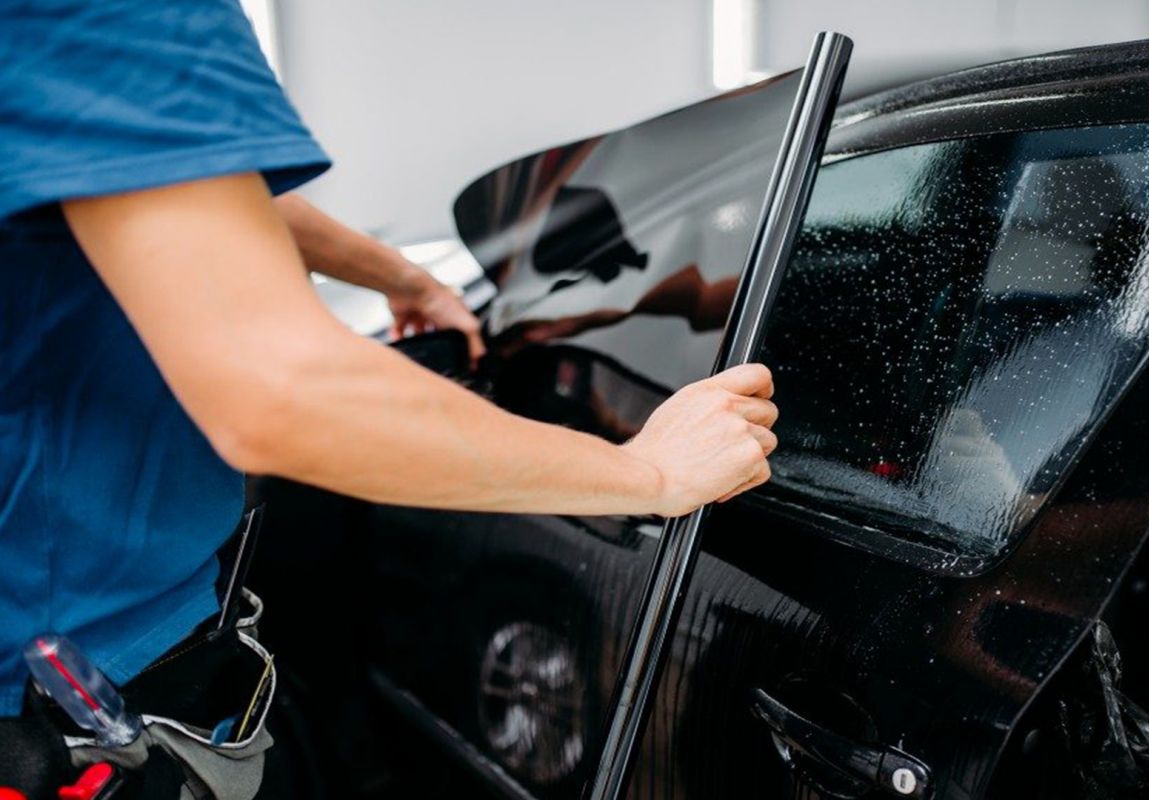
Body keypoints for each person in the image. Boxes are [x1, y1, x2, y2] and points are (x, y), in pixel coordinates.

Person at [0, 0, 777, 794]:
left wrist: (402, 278)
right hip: (75, 719)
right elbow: (284, 392)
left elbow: (185, 188)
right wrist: (648, 474)